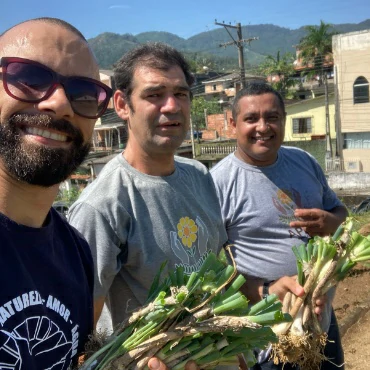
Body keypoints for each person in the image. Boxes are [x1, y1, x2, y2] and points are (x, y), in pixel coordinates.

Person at [0, 18, 192, 370]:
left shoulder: (75, 254)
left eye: (83, 93)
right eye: (28, 78)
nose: (59, 103)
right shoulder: (102, 207)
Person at [68, 42, 227, 364]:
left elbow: (217, 272)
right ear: (122, 105)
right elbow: (81, 338)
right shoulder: (103, 205)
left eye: (180, 94)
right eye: (154, 95)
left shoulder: (198, 176)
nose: (171, 106)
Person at [210, 82, 348, 370]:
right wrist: (266, 290)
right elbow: (214, 269)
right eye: (251, 119)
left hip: (321, 318)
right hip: (268, 332)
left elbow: (339, 211)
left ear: (283, 120)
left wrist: (330, 221)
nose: (263, 127)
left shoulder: (304, 161)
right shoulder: (217, 183)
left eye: (272, 117)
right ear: (233, 124)